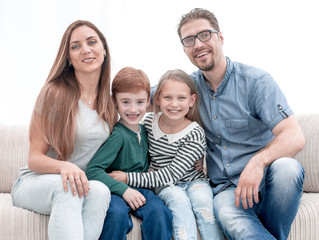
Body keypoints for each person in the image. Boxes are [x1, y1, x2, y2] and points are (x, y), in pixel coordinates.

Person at [174, 8, 306, 240]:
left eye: (205, 35)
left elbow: (295, 136)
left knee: (288, 168)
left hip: (266, 180)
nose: (198, 44)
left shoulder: (256, 82)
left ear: (220, 37)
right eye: (189, 40)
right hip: (228, 190)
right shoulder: (186, 90)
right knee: (226, 214)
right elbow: (140, 96)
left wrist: (258, 162)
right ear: (184, 48)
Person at [10, 20, 118, 240]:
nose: (85, 50)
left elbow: (151, 96)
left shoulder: (110, 102)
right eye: (75, 46)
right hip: (36, 181)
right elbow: (34, 159)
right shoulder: (55, 93)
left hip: (79, 184)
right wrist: (64, 167)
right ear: (69, 58)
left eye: (91, 42)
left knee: (100, 191)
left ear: (103, 49)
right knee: (69, 189)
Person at [110, 69, 225, 240]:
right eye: (167, 97)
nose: (174, 104)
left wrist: (127, 178)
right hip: (164, 186)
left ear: (192, 100)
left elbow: (171, 173)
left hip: (194, 181)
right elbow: (138, 149)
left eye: (181, 98)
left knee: (203, 203)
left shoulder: (194, 133)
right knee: (178, 201)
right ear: (157, 99)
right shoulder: (149, 123)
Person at [85, 67, 173, 240]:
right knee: (116, 215)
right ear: (115, 101)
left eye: (139, 102)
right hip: (117, 191)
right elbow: (92, 171)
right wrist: (124, 190)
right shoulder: (118, 135)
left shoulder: (145, 128)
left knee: (160, 212)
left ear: (148, 101)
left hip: (142, 188)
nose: (133, 109)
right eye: (126, 102)